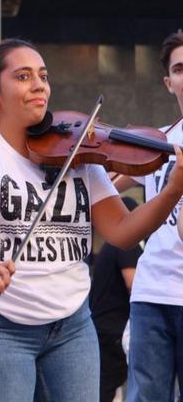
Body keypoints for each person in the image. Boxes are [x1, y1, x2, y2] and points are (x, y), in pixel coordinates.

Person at [0, 38, 183, 401]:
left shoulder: (77, 152)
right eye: (23, 76)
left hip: (72, 324)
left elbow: (122, 232)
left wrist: (170, 192)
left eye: (43, 76)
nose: (39, 84)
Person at [114, 29, 183, 401]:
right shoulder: (156, 141)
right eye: (180, 69)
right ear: (168, 82)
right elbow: (107, 187)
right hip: (152, 292)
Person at [90, 196, 143, 402]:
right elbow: (132, 281)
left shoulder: (109, 246)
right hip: (113, 329)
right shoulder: (127, 244)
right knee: (105, 389)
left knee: (105, 387)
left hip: (101, 325)